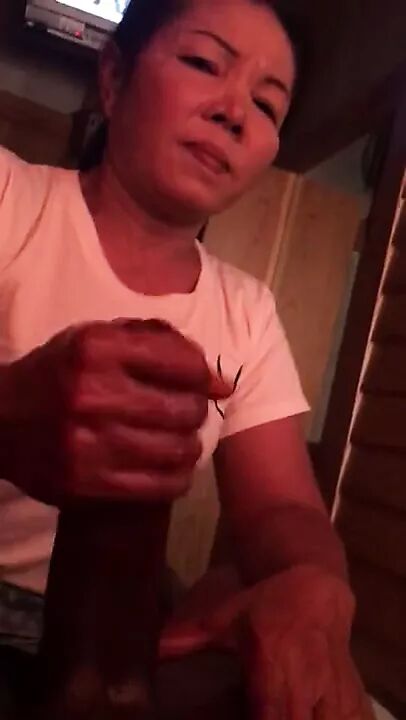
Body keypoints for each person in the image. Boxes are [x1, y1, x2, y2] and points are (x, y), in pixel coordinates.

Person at [0, 0, 373, 717]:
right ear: (114, 78)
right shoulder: (12, 198)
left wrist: (312, 587)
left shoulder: (247, 311)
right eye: (204, 63)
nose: (235, 112)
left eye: (267, 105)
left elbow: (282, 508)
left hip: (118, 640)